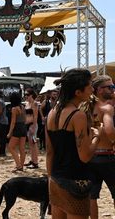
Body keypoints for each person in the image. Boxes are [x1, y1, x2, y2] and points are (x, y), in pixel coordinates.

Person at [46, 68, 100, 218]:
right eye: (89, 85)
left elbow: (50, 152)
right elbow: (85, 156)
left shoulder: (51, 113)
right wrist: (97, 137)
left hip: (56, 180)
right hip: (76, 181)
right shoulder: (78, 115)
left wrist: (51, 181)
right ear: (78, 92)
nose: (92, 89)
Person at [85, 75, 115, 219]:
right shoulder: (106, 107)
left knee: (92, 197)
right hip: (108, 156)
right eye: (110, 87)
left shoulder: (85, 107)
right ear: (98, 90)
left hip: (90, 156)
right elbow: (109, 131)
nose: (112, 89)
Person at [7, 92, 27, 172]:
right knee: (22, 148)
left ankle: (18, 165)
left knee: (11, 147)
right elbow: (25, 119)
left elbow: (13, 122)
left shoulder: (14, 109)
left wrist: (9, 133)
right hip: (23, 127)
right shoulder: (22, 107)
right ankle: (21, 166)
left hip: (17, 128)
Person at [24, 89, 39, 169]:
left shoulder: (34, 103)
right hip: (27, 125)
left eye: (27, 95)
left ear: (31, 95)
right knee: (30, 144)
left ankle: (35, 162)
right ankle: (32, 160)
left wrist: (33, 126)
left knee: (34, 143)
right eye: (25, 95)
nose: (26, 96)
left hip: (32, 125)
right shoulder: (27, 103)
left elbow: (36, 116)